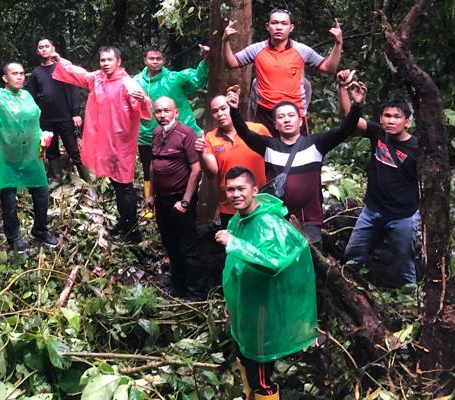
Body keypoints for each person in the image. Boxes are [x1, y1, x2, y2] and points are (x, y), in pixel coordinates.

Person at [216, 167, 317, 400]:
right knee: (244, 356)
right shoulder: (236, 221)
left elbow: (273, 264)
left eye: (241, 188)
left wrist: (235, 244)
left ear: (253, 190)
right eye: (230, 189)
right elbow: (235, 267)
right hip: (245, 303)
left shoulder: (269, 223)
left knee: (260, 374)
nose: (235, 194)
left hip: (264, 306)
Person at [226, 81, 365, 246]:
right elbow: (245, 133)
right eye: (281, 117)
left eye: (291, 116)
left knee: (310, 263)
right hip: (275, 219)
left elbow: (345, 129)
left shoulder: (316, 144)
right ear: (276, 124)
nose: (287, 120)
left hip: (309, 222)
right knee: (278, 262)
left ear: (300, 121)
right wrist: (234, 111)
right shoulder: (268, 146)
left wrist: (356, 105)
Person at [50, 46, 151, 241]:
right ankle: (125, 222)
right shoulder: (97, 78)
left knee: (124, 185)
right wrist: (60, 61)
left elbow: (142, 107)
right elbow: (79, 74)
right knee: (116, 184)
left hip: (120, 144)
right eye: (102, 60)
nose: (105, 64)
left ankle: (132, 232)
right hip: (105, 141)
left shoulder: (127, 83)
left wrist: (145, 101)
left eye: (109, 60)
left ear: (118, 62)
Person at [337, 70, 420, 285]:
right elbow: (349, 120)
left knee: (404, 263)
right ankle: (354, 292)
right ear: (381, 119)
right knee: (352, 257)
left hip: (403, 215)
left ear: (407, 122)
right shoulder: (377, 133)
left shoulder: (418, 148)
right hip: (372, 210)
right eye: (387, 116)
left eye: (396, 117)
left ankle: (410, 305)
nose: (391, 121)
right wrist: (345, 90)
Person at [0, 64, 58, 252]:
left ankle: (40, 230)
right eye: (14, 74)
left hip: (29, 155)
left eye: (21, 74)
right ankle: (14, 237)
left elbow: (33, 120)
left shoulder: (27, 96)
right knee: (9, 199)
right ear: (5, 78)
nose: (19, 77)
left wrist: (41, 138)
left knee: (42, 192)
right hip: (7, 156)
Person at [222, 9, 343, 132]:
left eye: (284, 24)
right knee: (263, 151)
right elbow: (231, 63)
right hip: (266, 114)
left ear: (291, 28)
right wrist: (225, 40)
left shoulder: (302, 50)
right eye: (274, 23)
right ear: (268, 26)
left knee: (297, 151)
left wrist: (338, 43)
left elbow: (329, 68)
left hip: (293, 113)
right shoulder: (256, 49)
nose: (279, 27)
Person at [134, 45, 209, 212]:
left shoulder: (174, 78)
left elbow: (197, 79)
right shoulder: (135, 82)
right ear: (144, 60)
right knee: (149, 170)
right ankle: (149, 205)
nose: (154, 62)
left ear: (164, 60)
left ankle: (190, 203)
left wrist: (205, 61)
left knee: (189, 168)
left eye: (158, 58)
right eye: (151, 58)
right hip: (147, 134)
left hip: (181, 134)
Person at [148, 97, 205, 299]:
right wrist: (151, 194)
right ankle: (177, 284)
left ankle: (195, 291)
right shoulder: (156, 134)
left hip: (181, 198)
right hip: (162, 200)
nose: (162, 115)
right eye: (158, 112)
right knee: (170, 243)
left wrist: (186, 201)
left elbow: (196, 169)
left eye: (166, 111)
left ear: (176, 112)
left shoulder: (186, 134)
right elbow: (153, 165)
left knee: (187, 245)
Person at [27, 37, 90, 187]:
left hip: (65, 117)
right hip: (45, 119)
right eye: (40, 47)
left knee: (73, 148)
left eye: (46, 46)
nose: (44, 49)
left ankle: (87, 181)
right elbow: (32, 96)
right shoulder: (36, 73)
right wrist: (34, 118)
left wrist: (75, 113)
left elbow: (73, 89)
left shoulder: (62, 66)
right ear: (37, 51)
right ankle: (57, 178)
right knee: (50, 148)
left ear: (52, 48)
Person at [199, 94, 269, 228]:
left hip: (260, 202)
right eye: (215, 111)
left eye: (223, 108)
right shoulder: (210, 137)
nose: (220, 114)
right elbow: (212, 172)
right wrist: (201, 153)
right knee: (233, 245)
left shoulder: (258, 129)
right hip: (230, 205)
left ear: (232, 107)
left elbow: (273, 158)